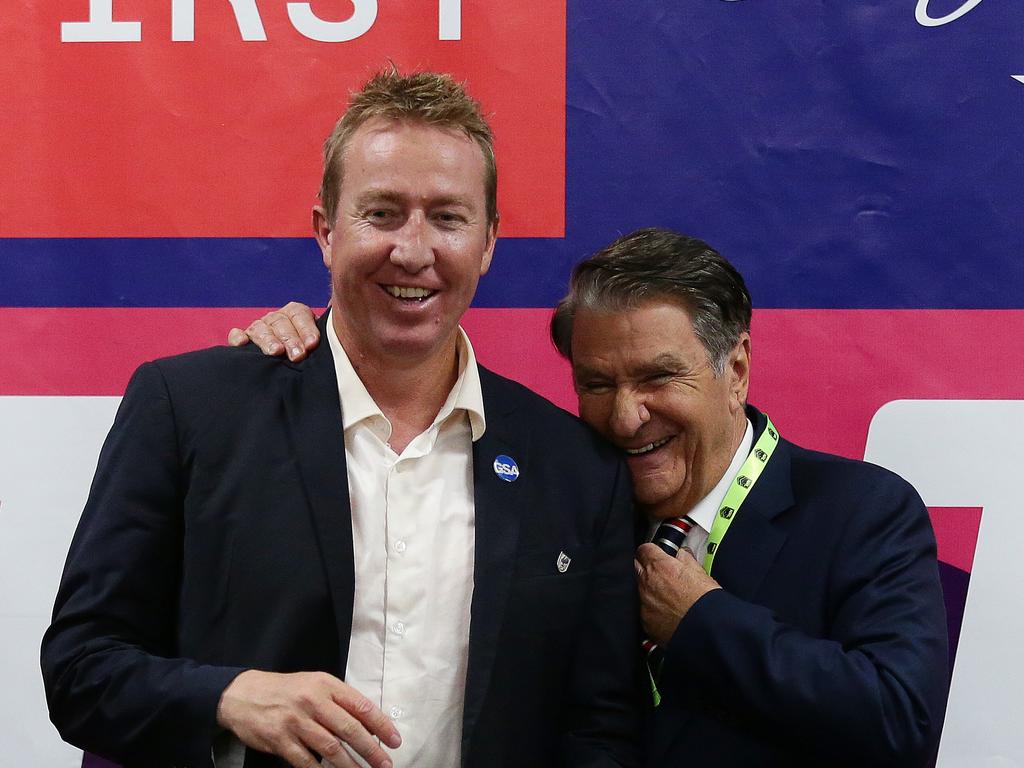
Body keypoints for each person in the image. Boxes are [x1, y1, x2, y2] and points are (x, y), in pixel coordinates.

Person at [41, 70, 641, 768]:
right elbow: (80, 669)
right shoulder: (190, 409)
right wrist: (228, 698)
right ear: (326, 231)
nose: (414, 250)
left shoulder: (576, 468)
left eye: (448, 217)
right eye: (382, 213)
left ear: (488, 242)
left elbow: (600, 731)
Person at [244, 227, 949, 767]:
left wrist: (703, 623)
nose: (625, 417)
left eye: (658, 378)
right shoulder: (562, 510)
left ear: (735, 369)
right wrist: (316, 343)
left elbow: (899, 723)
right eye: (598, 384)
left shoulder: (862, 511)